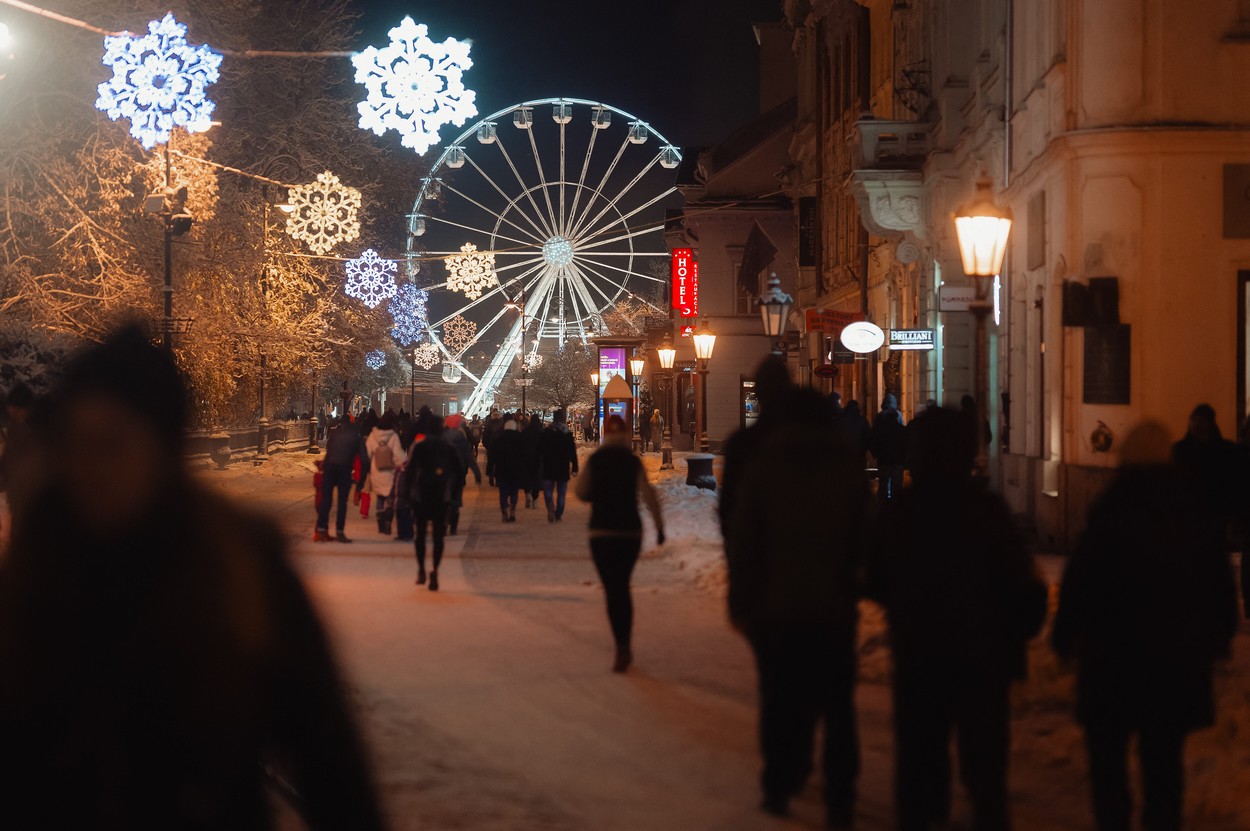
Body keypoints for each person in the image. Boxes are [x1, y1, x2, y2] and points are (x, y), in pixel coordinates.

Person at [0, 326, 383, 828]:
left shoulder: (239, 571)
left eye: (112, 443)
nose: (88, 466)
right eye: (77, 441)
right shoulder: (37, 568)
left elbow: (326, 753)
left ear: (161, 448)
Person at [1052, 420, 1238, 831]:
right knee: (1164, 763)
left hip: (1111, 664)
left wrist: (1064, 638)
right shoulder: (1192, 511)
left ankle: (1114, 820)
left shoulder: (1110, 509)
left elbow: (1080, 582)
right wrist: (1218, 638)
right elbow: (1219, 586)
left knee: (1109, 762)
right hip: (1174, 665)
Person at [869, 407, 1047, 831]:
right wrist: (1016, 632)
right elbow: (1022, 587)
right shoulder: (987, 512)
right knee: (985, 770)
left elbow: (874, 577)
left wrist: (905, 608)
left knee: (920, 764)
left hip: (920, 658)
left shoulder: (904, 513)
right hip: (982, 661)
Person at [722, 365, 866, 828]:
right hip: (833, 604)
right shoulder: (845, 465)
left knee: (780, 695)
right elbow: (864, 532)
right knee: (837, 703)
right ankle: (840, 793)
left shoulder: (762, 463)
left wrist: (741, 596)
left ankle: (780, 780)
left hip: (775, 602)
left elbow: (742, 533)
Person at [575, 415, 664, 673]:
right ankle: (624, 643)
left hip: (601, 531)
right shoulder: (632, 462)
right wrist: (659, 527)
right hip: (629, 531)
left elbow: (581, 492)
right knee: (622, 585)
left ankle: (620, 643)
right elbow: (649, 494)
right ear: (624, 434)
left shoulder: (596, 461)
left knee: (612, 588)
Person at [406, 416, 464, 591]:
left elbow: (410, 472)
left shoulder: (420, 447)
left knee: (421, 534)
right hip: (441, 496)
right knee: (438, 536)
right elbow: (459, 472)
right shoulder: (448, 448)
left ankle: (421, 569)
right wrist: (454, 495)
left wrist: (408, 494)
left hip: (422, 495)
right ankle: (435, 570)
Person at [316, 417, 360, 542]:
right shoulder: (355, 438)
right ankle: (340, 532)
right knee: (342, 502)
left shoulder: (334, 436)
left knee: (326, 500)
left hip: (330, 468)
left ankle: (321, 530)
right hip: (344, 470)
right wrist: (359, 481)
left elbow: (328, 451)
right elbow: (360, 457)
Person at [364, 412, 405, 536]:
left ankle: (380, 521)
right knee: (390, 497)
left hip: (376, 470)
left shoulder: (373, 435)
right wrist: (403, 464)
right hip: (390, 471)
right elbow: (398, 455)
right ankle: (388, 520)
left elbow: (367, 453)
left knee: (380, 497)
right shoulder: (393, 436)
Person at [442, 413, 481, 536]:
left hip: (443, 473)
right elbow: (467, 456)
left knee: (443, 500)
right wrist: (476, 472)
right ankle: (453, 527)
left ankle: (443, 524)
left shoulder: (441, 436)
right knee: (455, 501)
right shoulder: (460, 437)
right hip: (457, 471)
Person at [539, 409, 580, 522]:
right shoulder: (567, 433)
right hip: (563, 466)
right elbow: (572, 452)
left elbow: (540, 450)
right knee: (561, 492)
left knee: (548, 491)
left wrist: (539, 463)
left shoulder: (546, 432)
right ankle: (559, 513)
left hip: (549, 466)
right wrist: (575, 467)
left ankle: (550, 508)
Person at [870, 393, 907, 502]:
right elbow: (904, 437)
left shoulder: (880, 417)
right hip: (897, 458)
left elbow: (874, 436)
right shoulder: (899, 415)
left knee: (883, 484)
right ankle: (896, 509)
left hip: (884, 457)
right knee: (897, 485)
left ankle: (882, 509)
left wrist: (875, 453)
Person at [491, 416, 525, 521]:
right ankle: (513, 509)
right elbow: (524, 456)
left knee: (503, 492)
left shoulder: (499, 439)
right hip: (515, 470)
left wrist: (490, 471)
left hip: (502, 471)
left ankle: (504, 510)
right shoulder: (520, 439)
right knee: (514, 491)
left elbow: (493, 456)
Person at [521, 413, 544, 509]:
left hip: (527, 458)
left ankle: (527, 494)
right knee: (537, 479)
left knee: (527, 478)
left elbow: (520, 444)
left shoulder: (525, 431)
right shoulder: (541, 432)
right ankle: (535, 498)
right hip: (538, 459)